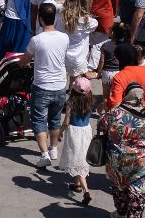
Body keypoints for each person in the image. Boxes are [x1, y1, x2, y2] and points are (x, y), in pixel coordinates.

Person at [99, 83, 145, 218]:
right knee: (138, 195)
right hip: (142, 163)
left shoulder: (115, 113)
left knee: (119, 189)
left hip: (117, 161)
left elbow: (101, 124)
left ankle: (121, 212)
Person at [20, 2, 69, 169]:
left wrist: (23, 64)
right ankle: (54, 148)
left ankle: (44, 154)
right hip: (60, 85)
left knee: (39, 120)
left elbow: (25, 60)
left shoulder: (37, 40)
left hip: (42, 85)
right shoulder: (64, 37)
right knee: (55, 119)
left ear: (40, 19)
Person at [58, 76, 96, 205]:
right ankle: (77, 185)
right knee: (79, 157)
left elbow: (66, 121)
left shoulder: (71, 103)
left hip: (74, 132)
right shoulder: (90, 102)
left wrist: (60, 132)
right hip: (86, 131)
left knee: (77, 163)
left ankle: (86, 191)